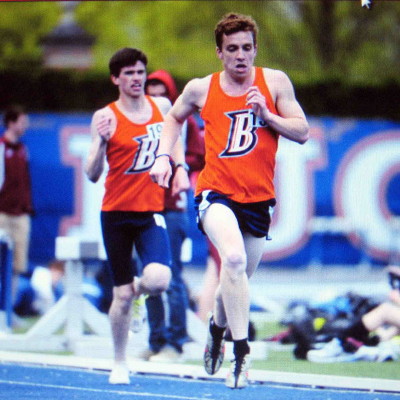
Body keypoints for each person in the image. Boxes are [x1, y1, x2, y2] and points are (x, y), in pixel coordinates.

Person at [150, 13, 309, 389]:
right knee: (232, 260)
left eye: (247, 48)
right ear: (219, 53)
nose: (241, 55)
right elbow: (172, 118)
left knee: (236, 279)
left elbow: (302, 131)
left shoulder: (275, 82)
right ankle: (240, 355)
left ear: (256, 49)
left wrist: (267, 115)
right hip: (216, 193)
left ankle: (216, 327)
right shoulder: (201, 89)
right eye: (232, 49)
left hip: (258, 199)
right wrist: (163, 157)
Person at [85, 47, 189, 385]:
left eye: (140, 72)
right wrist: (101, 143)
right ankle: (119, 361)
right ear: (115, 79)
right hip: (116, 214)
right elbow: (91, 173)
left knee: (158, 280)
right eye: (128, 73)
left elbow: (174, 135)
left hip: (150, 212)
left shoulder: (161, 107)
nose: (136, 78)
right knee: (120, 296)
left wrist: (179, 167)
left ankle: (137, 293)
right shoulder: (106, 116)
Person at [140, 70, 204, 362]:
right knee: (149, 275)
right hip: (145, 204)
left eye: (161, 93)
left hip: (172, 205)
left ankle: (176, 342)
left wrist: (173, 162)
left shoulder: (183, 120)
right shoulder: (141, 120)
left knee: (173, 275)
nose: (156, 99)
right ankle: (156, 340)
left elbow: (199, 155)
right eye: (151, 93)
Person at [0, 105, 34, 320]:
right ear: (11, 123)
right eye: (22, 122)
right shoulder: (1, 148)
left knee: (16, 266)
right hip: (2, 213)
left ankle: (8, 312)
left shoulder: (22, 149)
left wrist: (26, 206)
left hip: (20, 215)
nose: (25, 126)